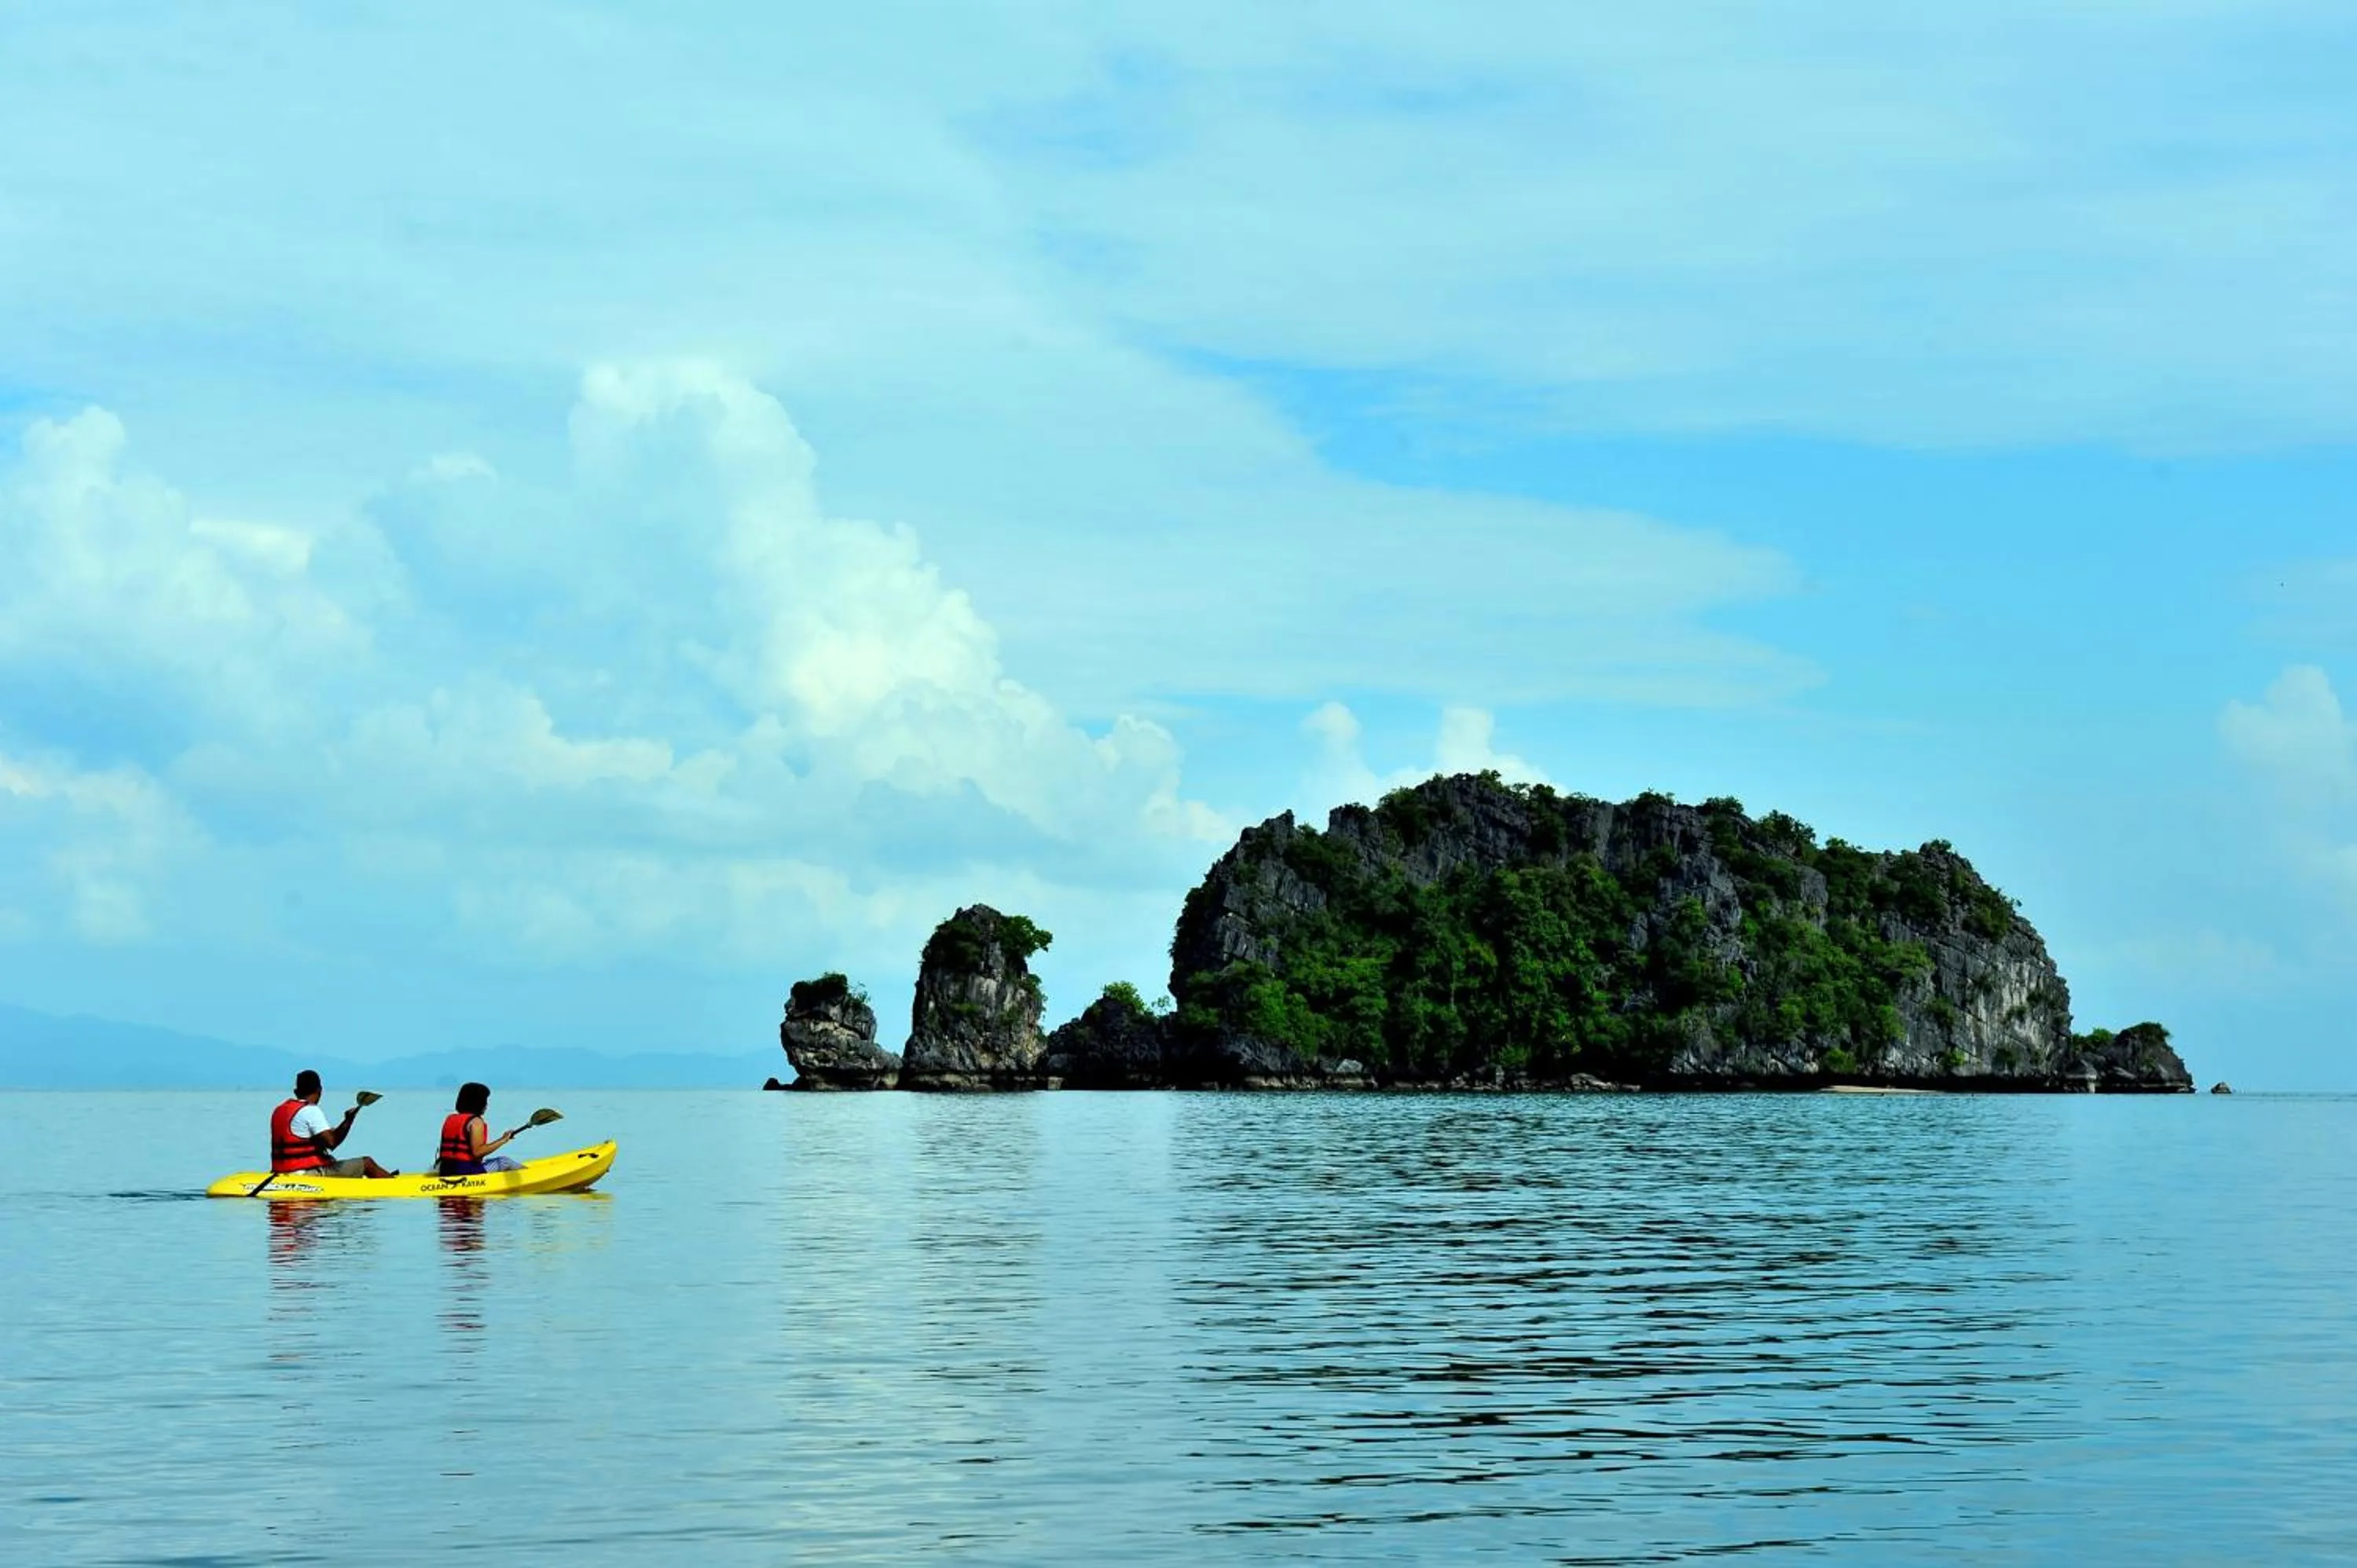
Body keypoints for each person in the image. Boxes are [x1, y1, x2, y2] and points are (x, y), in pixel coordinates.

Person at [271, 1070, 395, 1178]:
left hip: (282, 1172)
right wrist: (348, 1121)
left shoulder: (280, 1110)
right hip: (307, 1174)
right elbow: (332, 1143)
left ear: (296, 1092)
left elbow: (307, 1138)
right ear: (319, 1090)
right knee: (367, 1163)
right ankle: (396, 1186)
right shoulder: (311, 1110)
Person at [437, 1082, 523, 1176]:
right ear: (478, 1103)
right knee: (505, 1162)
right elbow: (478, 1152)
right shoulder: (476, 1122)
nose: (487, 1105)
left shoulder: (450, 1119)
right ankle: (529, 1176)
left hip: (445, 1170)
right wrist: (503, 1140)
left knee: (488, 1162)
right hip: (467, 1172)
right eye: (485, 1101)